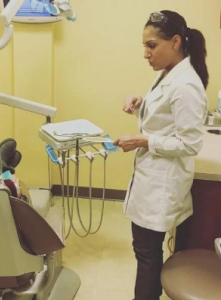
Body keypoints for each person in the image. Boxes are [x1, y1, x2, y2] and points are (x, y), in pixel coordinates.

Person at [113, 10, 208, 300]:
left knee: (146, 253)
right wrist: (141, 102)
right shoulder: (169, 73)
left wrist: (144, 140)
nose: (145, 54)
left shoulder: (186, 85)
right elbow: (166, 112)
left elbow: (190, 144)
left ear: (176, 42)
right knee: (145, 250)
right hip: (151, 177)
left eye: (151, 45)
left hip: (160, 182)